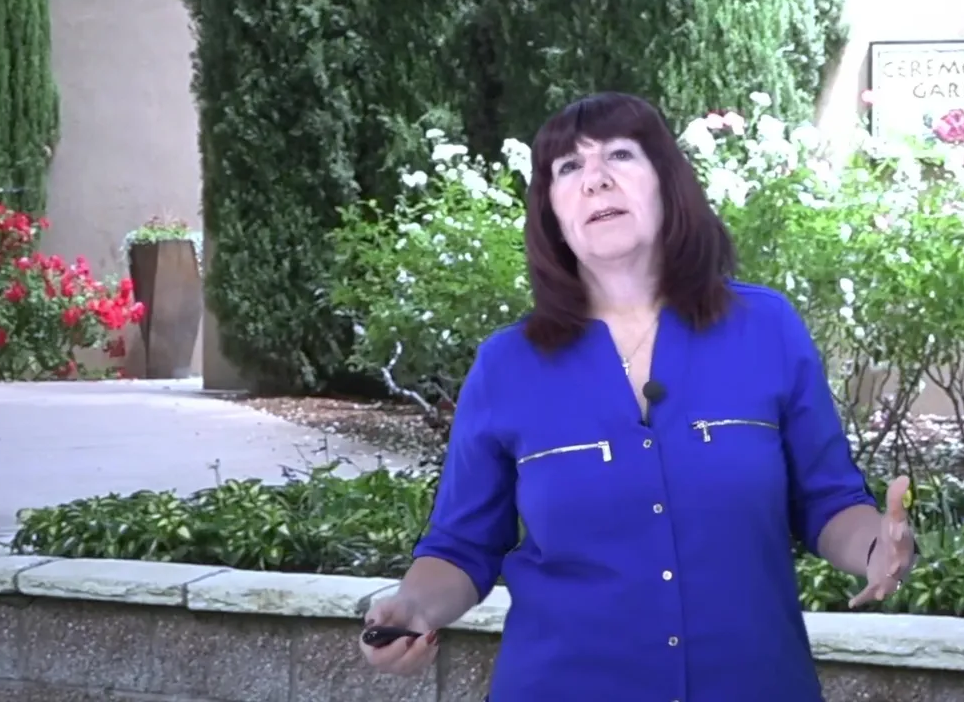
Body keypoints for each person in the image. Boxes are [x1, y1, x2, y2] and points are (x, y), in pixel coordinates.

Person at [359, 91, 918, 701]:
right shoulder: (506, 366)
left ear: (666, 181)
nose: (595, 179)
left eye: (620, 155)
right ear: (550, 210)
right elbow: (462, 546)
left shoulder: (766, 329)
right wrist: (412, 607)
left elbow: (827, 500)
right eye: (568, 167)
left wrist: (875, 547)